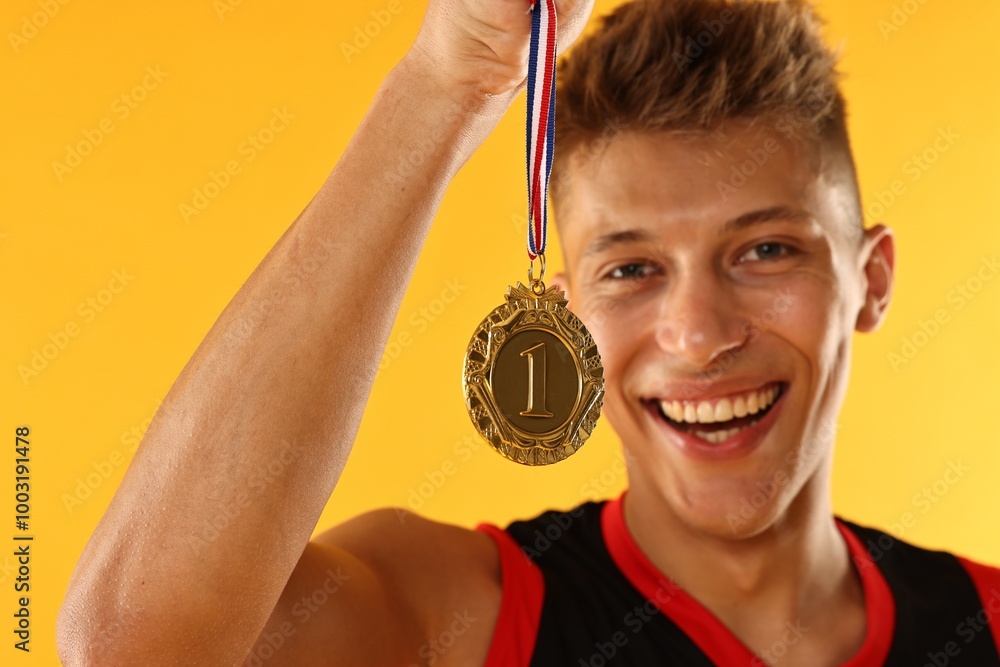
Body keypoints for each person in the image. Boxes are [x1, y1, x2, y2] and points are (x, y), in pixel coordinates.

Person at [56, 0, 1000, 665]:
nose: (700, 333)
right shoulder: (467, 619)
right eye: (631, 268)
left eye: (764, 251)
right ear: (572, 318)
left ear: (870, 280)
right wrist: (448, 82)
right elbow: (135, 644)